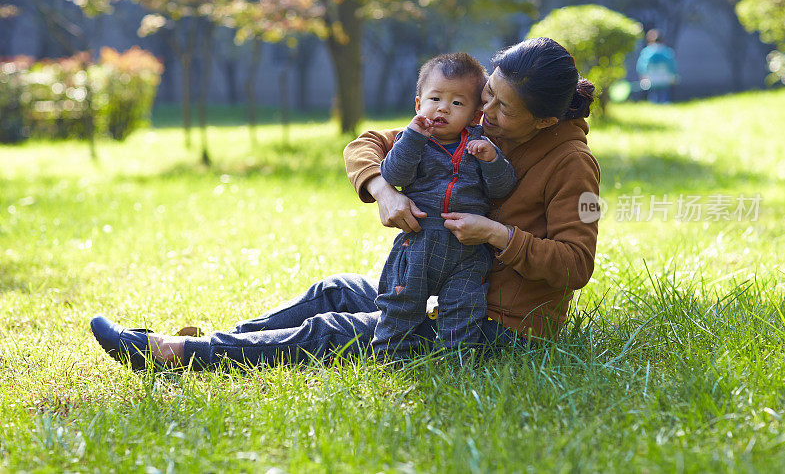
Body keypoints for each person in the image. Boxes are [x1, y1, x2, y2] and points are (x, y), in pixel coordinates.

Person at [89, 37, 600, 371]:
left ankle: (175, 353)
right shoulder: (474, 130)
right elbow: (367, 144)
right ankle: (229, 339)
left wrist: (497, 235)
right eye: (486, 95)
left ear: (545, 122)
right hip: (443, 283)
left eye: (502, 108)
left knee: (333, 332)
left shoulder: (574, 166)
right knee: (335, 290)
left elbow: (577, 266)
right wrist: (382, 190)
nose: (485, 111)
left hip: (496, 325)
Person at [373, 53, 516, 357]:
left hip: (467, 249)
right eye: (435, 98)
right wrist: (412, 139)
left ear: (476, 114)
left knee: (464, 307)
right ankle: (391, 358)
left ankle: (456, 362)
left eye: (457, 103)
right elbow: (394, 175)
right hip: (419, 241)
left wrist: (491, 161)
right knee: (401, 304)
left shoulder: (481, 145)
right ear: (418, 104)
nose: (442, 108)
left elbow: (503, 188)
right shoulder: (411, 139)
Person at [636, 29, 678, 104]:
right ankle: (665, 104)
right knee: (664, 94)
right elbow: (672, 65)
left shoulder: (647, 52)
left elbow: (642, 65)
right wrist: (673, 75)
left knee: (653, 94)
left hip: (652, 78)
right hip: (665, 78)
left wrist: (642, 76)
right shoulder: (666, 51)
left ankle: (654, 105)